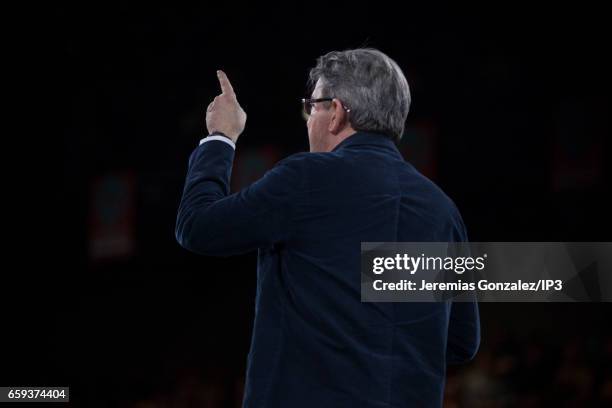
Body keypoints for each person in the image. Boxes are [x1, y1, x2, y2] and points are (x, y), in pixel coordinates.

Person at [176, 48, 480, 407]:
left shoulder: (307, 178)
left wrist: (220, 138)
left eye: (312, 106)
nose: (308, 119)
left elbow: (197, 226)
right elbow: (461, 340)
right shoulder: (440, 210)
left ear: (335, 112)